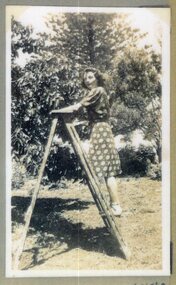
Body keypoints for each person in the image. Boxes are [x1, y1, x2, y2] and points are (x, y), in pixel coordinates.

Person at [53, 67, 122, 216]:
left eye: (90, 77)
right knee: (108, 171)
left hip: (100, 130)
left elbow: (78, 106)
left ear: (96, 78)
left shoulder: (97, 91)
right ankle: (114, 204)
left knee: (107, 171)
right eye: (86, 78)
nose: (87, 80)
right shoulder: (100, 92)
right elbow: (97, 115)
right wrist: (83, 122)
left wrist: (59, 111)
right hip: (101, 128)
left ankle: (116, 205)